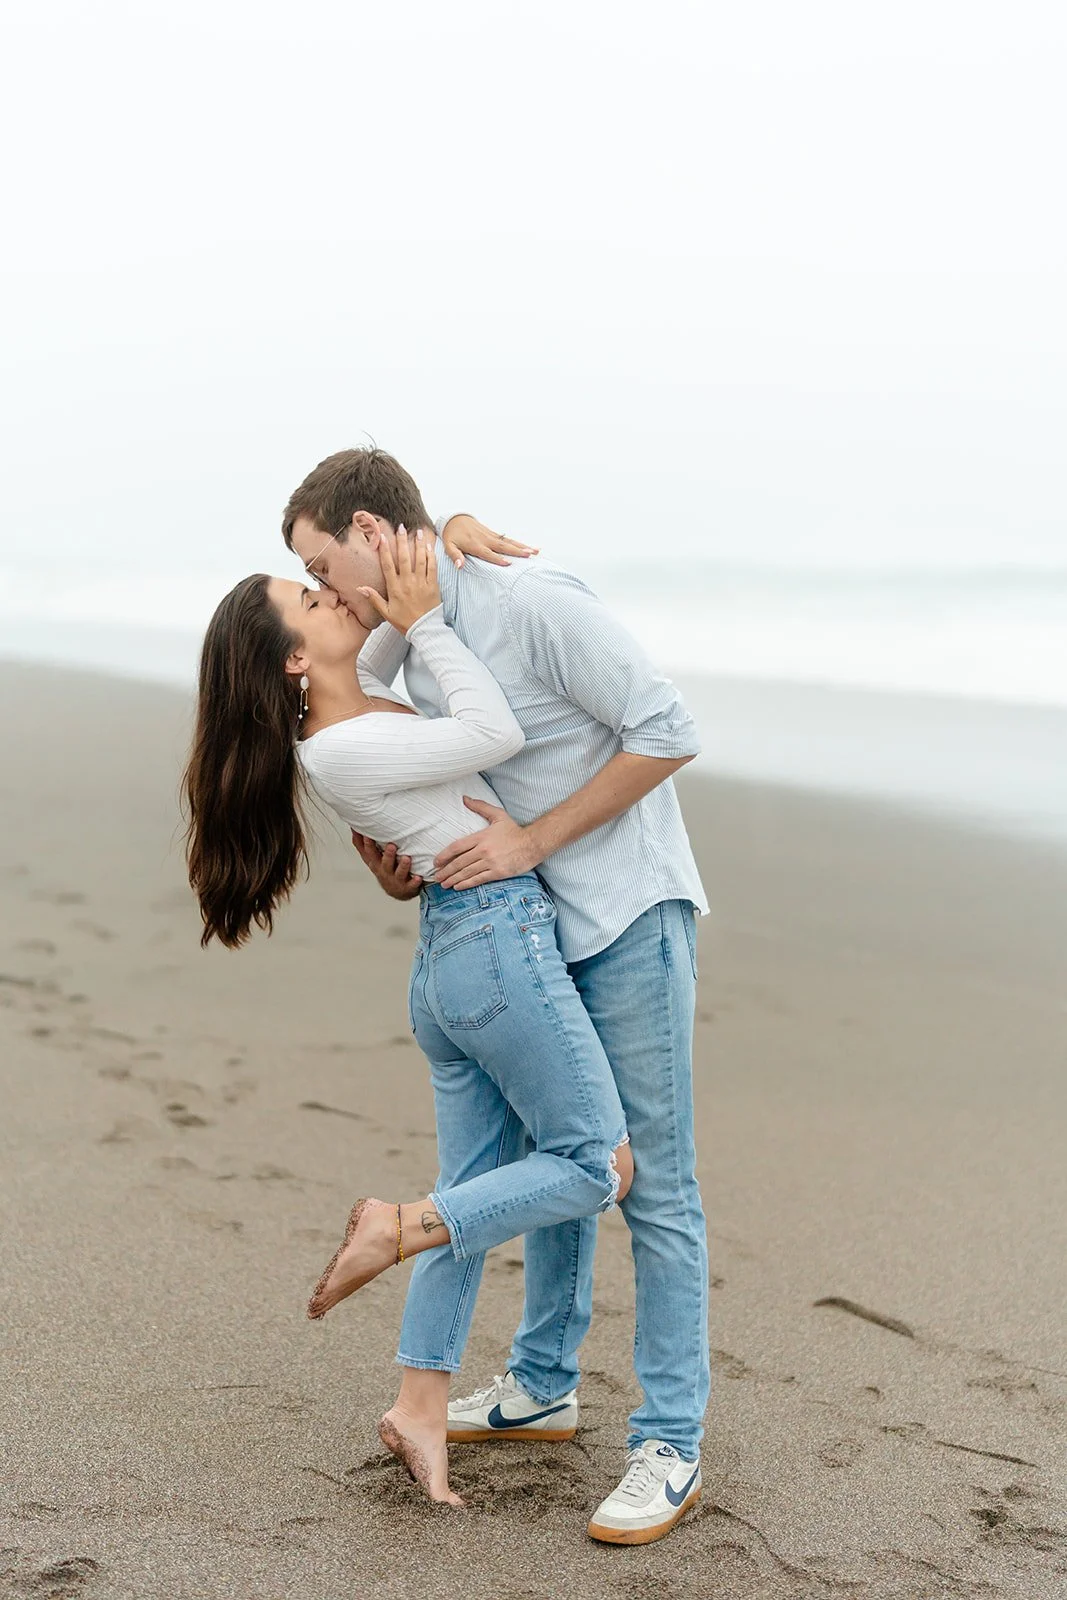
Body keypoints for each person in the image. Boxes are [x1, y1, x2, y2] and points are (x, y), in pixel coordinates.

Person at [283, 448, 709, 1546]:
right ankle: (539, 1383)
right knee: (552, 1160)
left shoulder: (529, 601)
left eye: (324, 562)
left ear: (372, 530)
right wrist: (414, 858)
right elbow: (435, 772)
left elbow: (667, 728)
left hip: (618, 909)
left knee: (647, 1182)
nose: (326, 590)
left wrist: (530, 839)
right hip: (527, 930)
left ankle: (668, 1437)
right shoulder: (410, 637)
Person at [182, 527, 633, 1509]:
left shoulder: (350, 712)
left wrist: (444, 533)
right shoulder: (345, 743)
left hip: (454, 953)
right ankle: (395, 1225)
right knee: (596, 1163)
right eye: (306, 600)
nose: (328, 595)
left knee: (473, 1189)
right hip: (494, 948)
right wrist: (427, 618)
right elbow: (494, 730)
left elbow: (392, 618)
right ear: (295, 659)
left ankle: (419, 1407)